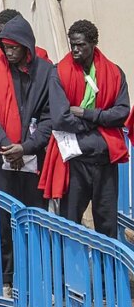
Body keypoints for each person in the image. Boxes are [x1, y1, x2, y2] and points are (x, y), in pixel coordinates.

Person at [0, 14, 53, 288]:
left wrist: (26, 147)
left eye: (14, 47)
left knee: (33, 219)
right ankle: (5, 279)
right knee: (1, 221)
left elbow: (49, 117)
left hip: (33, 158)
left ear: (26, 46)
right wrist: (6, 144)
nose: (8, 52)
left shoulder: (45, 72)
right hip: (0, 156)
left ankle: (35, 279)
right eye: (4, 46)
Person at [40, 20, 129, 238]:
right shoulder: (59, 72)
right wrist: (101, 120)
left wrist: (86, 113)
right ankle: (69, 270)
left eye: (81, 45)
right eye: (73, 45)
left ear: (94, 43)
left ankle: (106, 271)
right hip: (76, 160)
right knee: (70, 221)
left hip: (105, 159)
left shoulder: (114, 73)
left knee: (107, 223)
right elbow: (61, 119)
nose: (76, 50)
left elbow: (122, 113)